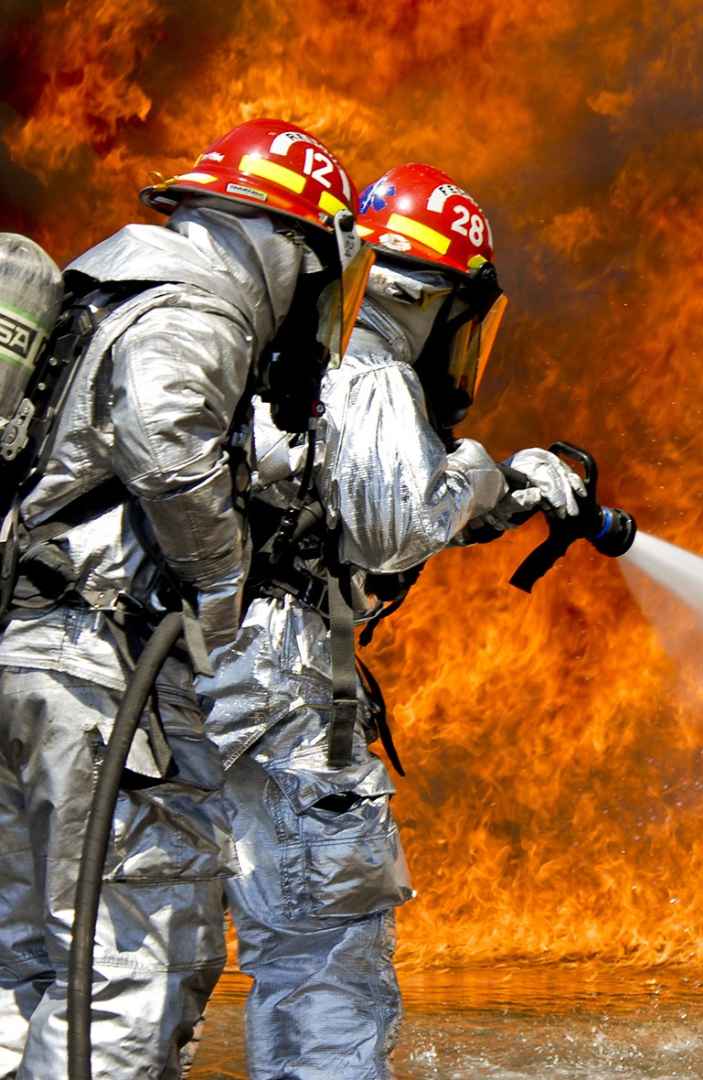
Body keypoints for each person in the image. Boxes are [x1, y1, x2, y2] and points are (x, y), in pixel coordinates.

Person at [199, 161, 582, 1078]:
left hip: (189, 674)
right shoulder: (368, 368)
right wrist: (499, 469)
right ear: (436, 299)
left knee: (149, 943)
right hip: (283, 689)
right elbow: (395, 522)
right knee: (323, 951)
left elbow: (338, 496)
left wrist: (498, 495)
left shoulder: (269, 353)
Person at [0, 118, 362, 1078]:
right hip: (99, 669)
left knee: (29, 957)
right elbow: (164, 438)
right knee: (137, 953)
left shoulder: (97, 287)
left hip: (25, 649)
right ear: (279, 241)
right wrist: (220, 588)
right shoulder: (193, 308)